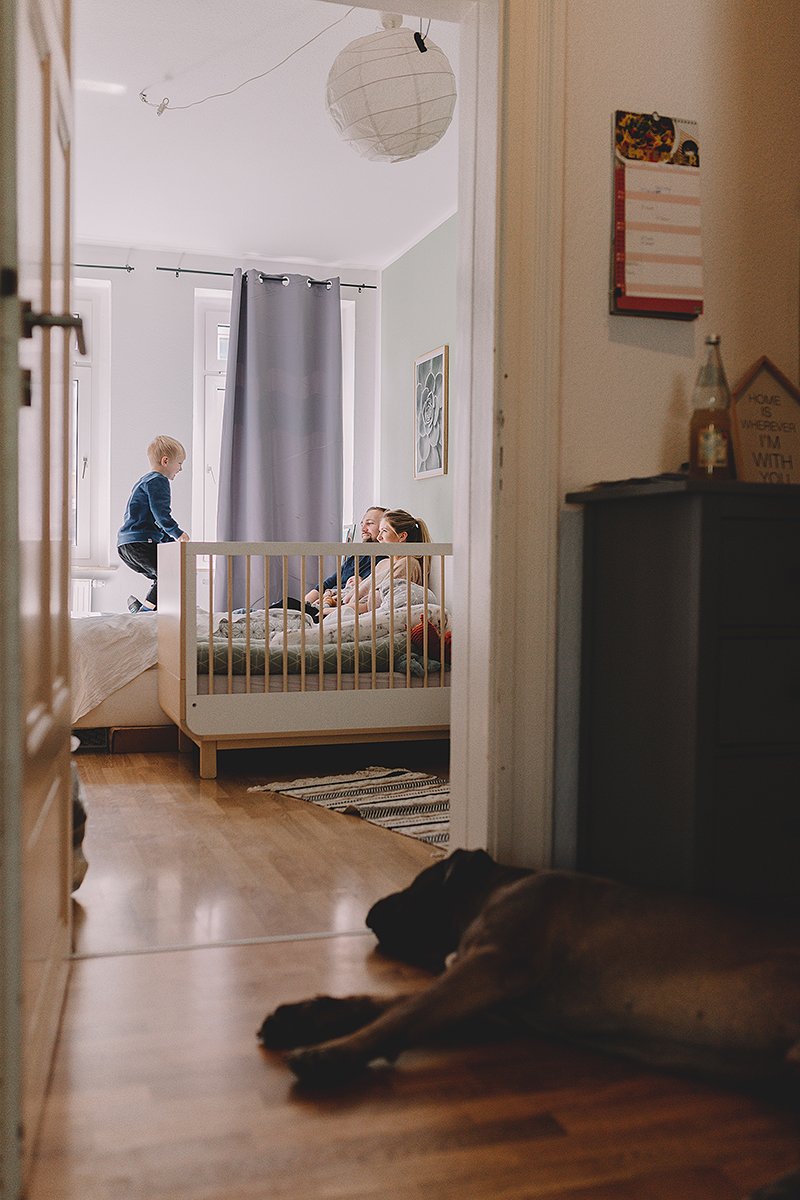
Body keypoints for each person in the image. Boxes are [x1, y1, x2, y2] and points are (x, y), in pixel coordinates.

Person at [118, 435, 189, 613]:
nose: (180, 469)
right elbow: (161, 513)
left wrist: (166, 540)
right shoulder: (158, 480)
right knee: (170, 576)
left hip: (127, 544)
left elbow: (150, 519)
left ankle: (148, 609)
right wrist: (177, 533)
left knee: (164, 579)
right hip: (141, 542)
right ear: (166, 461)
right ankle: (144, 612)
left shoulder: (144, 481)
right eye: (179, 463)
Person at [343, 508, 432, 613]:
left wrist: (332, 611)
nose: (379, 537)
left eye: (384, 531)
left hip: (361, 616)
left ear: (402, 536)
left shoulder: (407, 564)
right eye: (379, 531)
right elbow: (356, 595)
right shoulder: (383, 563)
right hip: (349, 609)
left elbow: (376, 604)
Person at [304, 506, 387, 613]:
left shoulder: (384, 563)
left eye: (370, 523)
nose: (363, 529)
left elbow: (362, 596)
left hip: (338, 608)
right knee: (285, 606)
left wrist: (328, 603)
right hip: (322, 602)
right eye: (362, 524)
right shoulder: (355, 557)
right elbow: (325, 585)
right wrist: (303, 606)